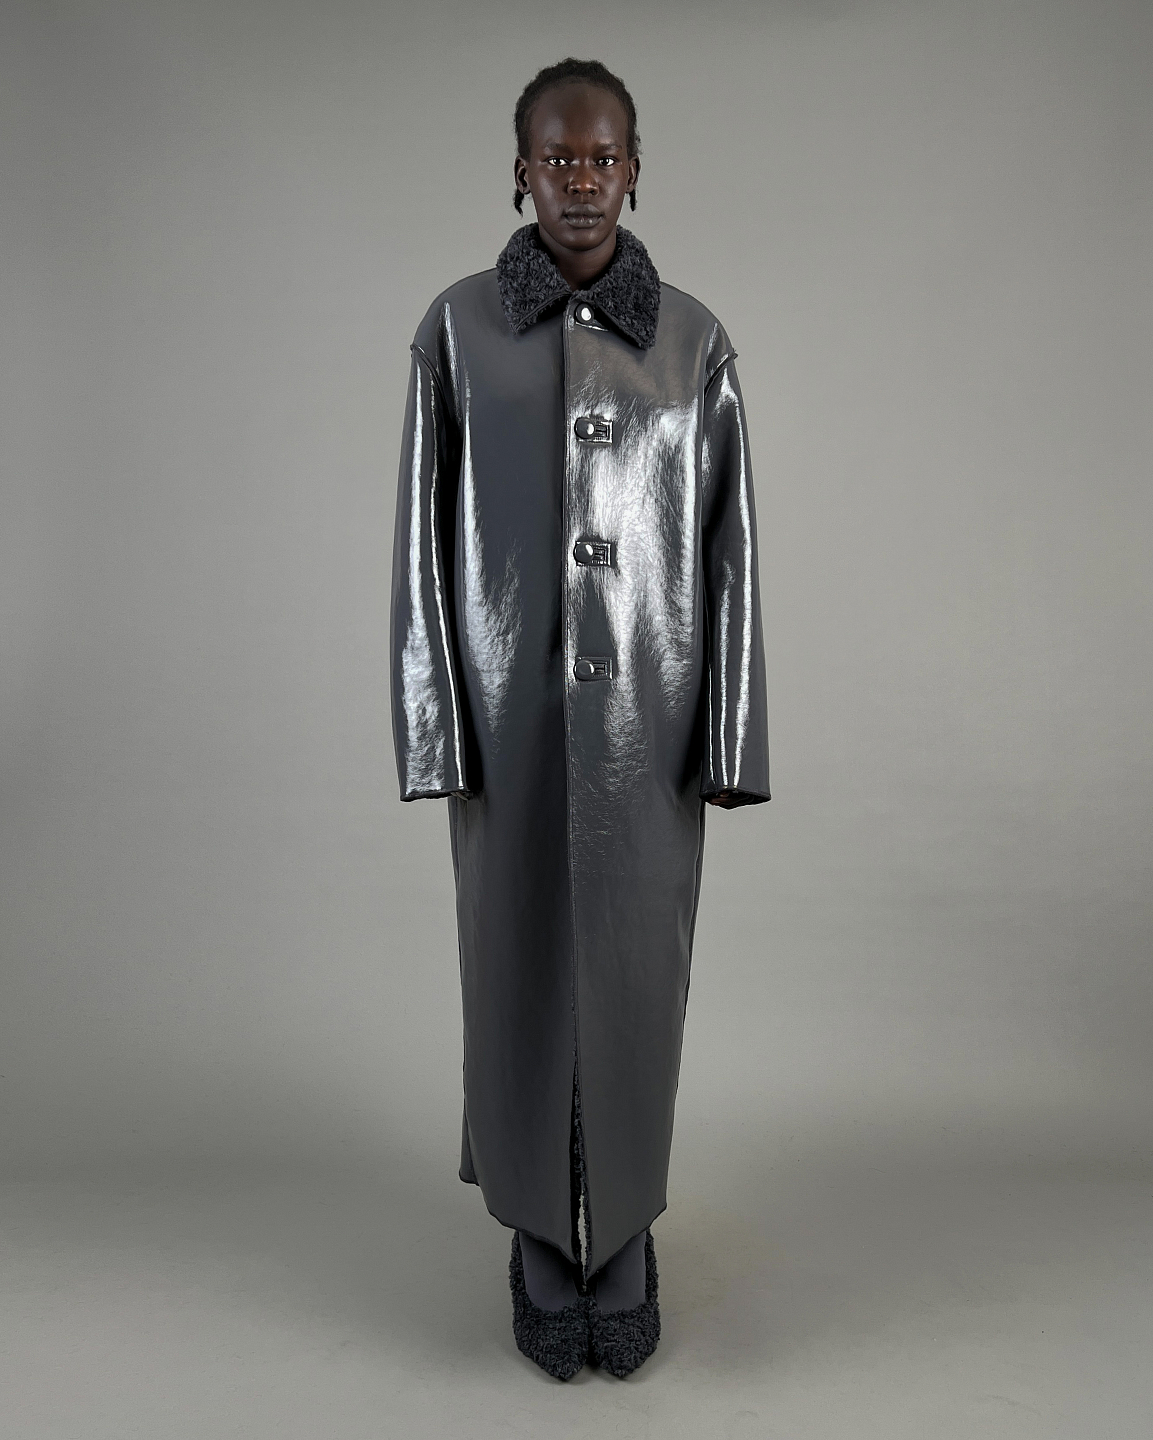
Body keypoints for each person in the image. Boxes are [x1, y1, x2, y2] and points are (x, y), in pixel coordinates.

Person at [390, 57, 770, 1380]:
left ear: (635, 169)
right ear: (519, 172)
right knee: (512, 973)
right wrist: (434, 729)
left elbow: (729, 552)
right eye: (557, 159)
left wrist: (729, 736)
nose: (581, 181)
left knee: (635, 984)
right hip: (505, 736)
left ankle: (625, 1235)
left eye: (602, 158)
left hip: (647, 738)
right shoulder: (454, 332)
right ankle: (539, 1234)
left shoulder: (693, 343)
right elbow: (420, 545)